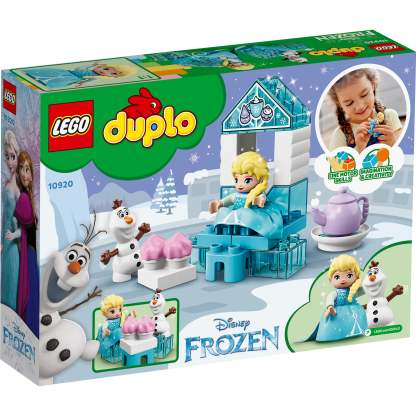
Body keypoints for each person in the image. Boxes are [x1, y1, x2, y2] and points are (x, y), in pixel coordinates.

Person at [327, 68, 402, 153]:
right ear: (339, 104)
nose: (360, 106)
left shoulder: (389, 116)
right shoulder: (340, 135)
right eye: (349, 103)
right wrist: (358, 149)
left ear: (373, 85)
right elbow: (335, 161)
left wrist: (392, 144)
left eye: (364, 95)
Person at [307, 255, 368, 342]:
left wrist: (369, 284)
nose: (343, 280)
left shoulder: (353, 290)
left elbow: (365, 290)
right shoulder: (335, 293)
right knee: (336, 323)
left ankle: (355, 332)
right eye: (337, 277)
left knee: (354, 322)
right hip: (337, 312)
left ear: (356, 277)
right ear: (331, 280)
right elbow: (330, 298)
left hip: (354, 311)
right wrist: (330, 306)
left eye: (349, 275)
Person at [15, 151, 39, 336]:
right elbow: (27, 218)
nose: (25, 174)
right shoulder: (23, 198)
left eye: (28, 169)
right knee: (30, 294)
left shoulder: (27, 197)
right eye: (22, 169)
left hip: (31, 252)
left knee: (32, 294)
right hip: (28, 253)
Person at [1, 131, 21, 311]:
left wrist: (15, 234)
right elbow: (4, 215)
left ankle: (13, 317)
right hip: (4, 242)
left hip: (13, 244)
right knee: (4, 281)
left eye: (12, 157)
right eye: (6, 157)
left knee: (12, 281)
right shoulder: (7, 183)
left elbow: (25, 224)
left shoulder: (19, 188)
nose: (9, 162)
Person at [96, 295, 125, 364]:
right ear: (105, 313)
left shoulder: (121, 318)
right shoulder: (107, 323)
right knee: (111, 347)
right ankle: (111, 357)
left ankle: (120, 355)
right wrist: (106, 332)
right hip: (111, 338)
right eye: (112, 311)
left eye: (119, 310)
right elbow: (104, 329)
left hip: (119, 337)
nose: (117, 313)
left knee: (121, 346)